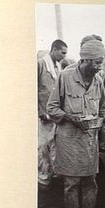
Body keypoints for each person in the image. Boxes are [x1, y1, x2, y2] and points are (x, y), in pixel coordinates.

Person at [46, 39, 105, 208]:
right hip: (69, 139)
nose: (99, 66)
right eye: (96, 62)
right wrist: (71, 118)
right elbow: (51, 108)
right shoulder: (65, 76)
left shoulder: (98, 79)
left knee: (90, 182)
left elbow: (103, 109)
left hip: (89, 140)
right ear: (85, 60)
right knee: (71, 183)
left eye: (101, 62)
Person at [37, 39, 68, 186]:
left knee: (55, 144)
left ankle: (54, 174)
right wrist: (39, 111)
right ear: (54, 49)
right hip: (43, 114)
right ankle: (43, 177)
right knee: (43, 146)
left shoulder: (58, 66)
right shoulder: (40, 64)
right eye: (62, 53)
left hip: (55, 113)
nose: (64, 56)